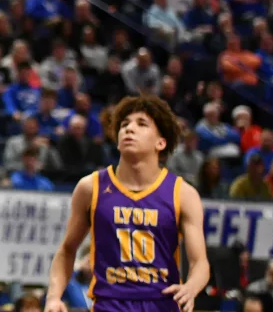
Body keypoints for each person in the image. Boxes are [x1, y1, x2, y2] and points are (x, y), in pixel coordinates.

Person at [44, 95, 210, 312]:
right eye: (124, 125)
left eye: (141, 124)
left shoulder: (183, 193)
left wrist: (191, 287)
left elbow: (200, 262)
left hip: (161, 304)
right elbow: (67, 249)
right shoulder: (90, 187)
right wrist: (53, 297)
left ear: (160, 142)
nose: (129, 129)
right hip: (109, 304)